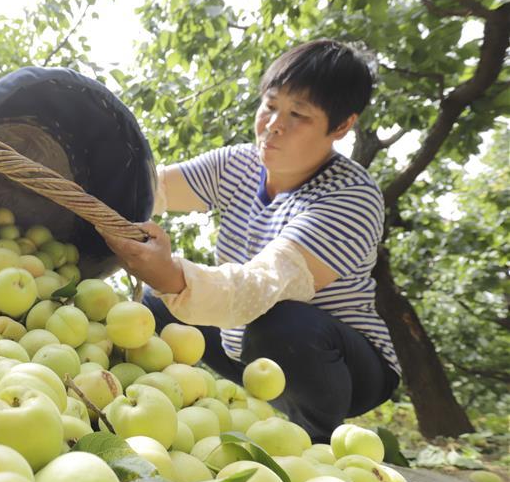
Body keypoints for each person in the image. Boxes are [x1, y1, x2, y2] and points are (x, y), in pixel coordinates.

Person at [100, 39, 400, 443]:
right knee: (154, 307)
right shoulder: (239, 164)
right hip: (244, 343)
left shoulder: (350, 197)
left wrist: (173, 274)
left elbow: (265, 285)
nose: (274, 124)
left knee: (282, 320)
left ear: (342, 126)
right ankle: (137, 409)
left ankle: (308, 443)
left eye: (299, 115)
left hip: (342, 363)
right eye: (271, 105)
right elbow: (150, 188)